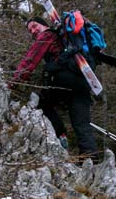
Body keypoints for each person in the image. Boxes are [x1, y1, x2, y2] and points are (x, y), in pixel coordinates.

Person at [10, 16, 98, 161]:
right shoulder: (66, 40)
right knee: (82, 125)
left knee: (42, 103)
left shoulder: (48, 35)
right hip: (82, 82)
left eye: (34, 26)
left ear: (44, 25)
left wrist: (12, 84)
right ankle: (90, 161)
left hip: (63, 80)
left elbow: (30, 61)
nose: (32, 31)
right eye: (30, 29)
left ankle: (60, 135)